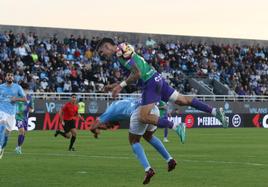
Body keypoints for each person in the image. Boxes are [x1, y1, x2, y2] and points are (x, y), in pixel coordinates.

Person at [96, 38, 228, 132]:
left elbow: (137, 74)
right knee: (182, 100)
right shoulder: (122, 52)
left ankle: (176, 127)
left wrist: (120, 86)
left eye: (102, 52)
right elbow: (134, 74)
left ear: (107, 46)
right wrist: (115, 85)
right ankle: (215, 111)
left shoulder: (120, 52)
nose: (103, 55)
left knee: (143, 117)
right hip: (156, 78)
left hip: (150, 83)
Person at [91, 98, 181, 185]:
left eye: (108, 126)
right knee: (148, 136)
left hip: (140, 112)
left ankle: (148, 169)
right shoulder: (120, 102)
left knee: (134, 141)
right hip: (153, 109)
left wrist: (95, 131)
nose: (108, 127)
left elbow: (92, 127)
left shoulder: (109, 112)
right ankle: (170, 160)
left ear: (108, 121)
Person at [0, 71, 27, 159]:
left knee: (8, 133)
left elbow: (25, 99)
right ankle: (0, 146)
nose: (10, 77)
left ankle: (2, 148)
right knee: (2, 125)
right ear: (5, 77)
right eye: (8, 75)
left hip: (12, 113)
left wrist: (16, 98)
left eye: (12, 75)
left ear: (13, 78)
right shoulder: (1, 87)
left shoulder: (17, 87)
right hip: (2, 110)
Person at [15, 83, 34, 154]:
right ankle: (18, 148)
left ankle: (18, 146)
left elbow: (32, 109)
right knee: (22, 131)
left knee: (23, 133)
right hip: (18, 116)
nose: (25, 91)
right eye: (24, 89)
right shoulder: (17, 96)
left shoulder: (29, 97)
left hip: (25, 117)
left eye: (26, 90)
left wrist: (30, 109)